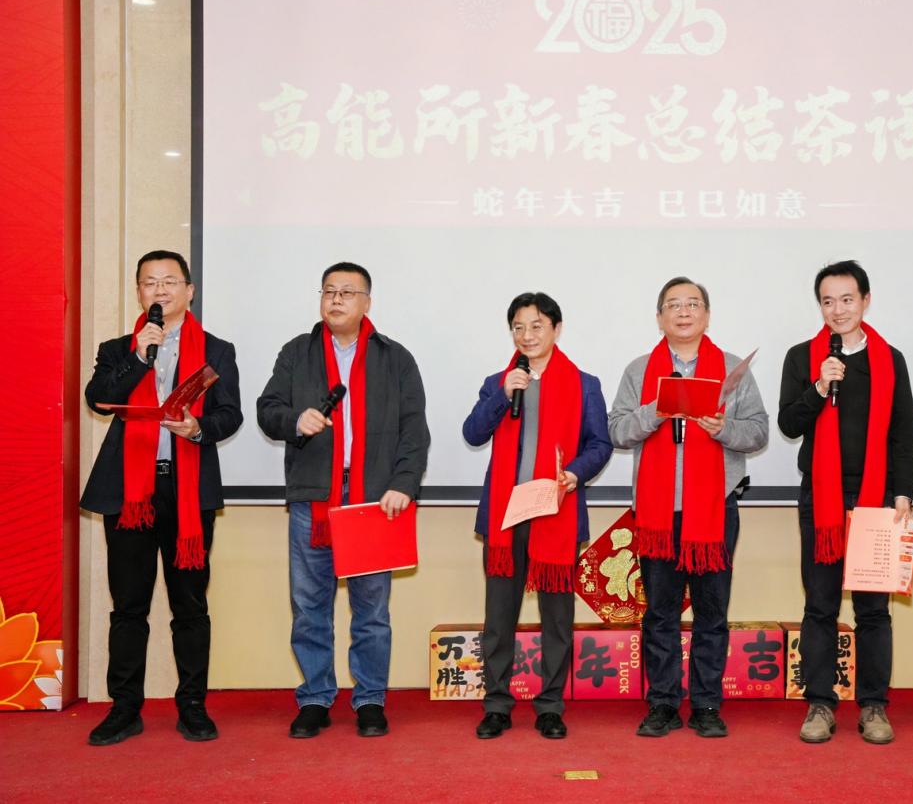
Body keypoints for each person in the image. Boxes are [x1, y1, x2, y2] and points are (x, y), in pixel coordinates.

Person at [257, 262, 429, 739]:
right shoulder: (297, 352)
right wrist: (296, 420)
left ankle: (370, 699)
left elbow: (414, 430)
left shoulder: (395, 358)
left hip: (374, 498)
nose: (335, 299)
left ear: (367, 302)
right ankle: (315, 697)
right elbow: (268, 410)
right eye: (329, 291)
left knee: (371, 610)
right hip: (314, 498)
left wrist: (404, 484)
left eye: (347, 292)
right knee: (310, 606)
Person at [81, 250, 243, 745]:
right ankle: (124, 708)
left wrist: (197, 428)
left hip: (186, 490)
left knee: (189, 604)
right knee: (128, 605)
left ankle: (192, 706)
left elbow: (230, 414)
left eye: (170, 281)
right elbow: (97, 398)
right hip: (130, 492)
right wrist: (138, 357)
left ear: (189, 291)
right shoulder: (118, 348)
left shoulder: (216, 350)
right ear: (139, 293)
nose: (160, 290)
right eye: (150, 282)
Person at [608, 276, 769, 738]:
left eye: (693, 304)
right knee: (660, 614)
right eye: (674, 305)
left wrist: (722, 428)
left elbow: (759, 431)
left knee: (711, 613)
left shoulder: (732, 368)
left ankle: (706, 705)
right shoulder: (640, 370)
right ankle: (662, 703)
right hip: (657, 516)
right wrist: (654, 412)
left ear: (707, 315)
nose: (684, 312)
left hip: (715, 511)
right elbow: (617, 430)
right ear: (659, 318)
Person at [778, 260, 913, 745]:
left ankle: (874, 705)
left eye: (846, 299)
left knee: (874, 609)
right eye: (827, 301)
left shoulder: (890, 359)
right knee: (820, 604)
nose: (837, 310)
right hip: (822, 498)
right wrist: (819, 386)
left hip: (877, 499)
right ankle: (820, 703)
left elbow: (903, 432)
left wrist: (903, 493)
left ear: (865, 300)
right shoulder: (803, 357)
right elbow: (789, 424)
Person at [463, 292, 613, 740]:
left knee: (556, 619)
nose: (527, 336)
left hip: (556, 514)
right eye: (518, 327)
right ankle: (497, 705)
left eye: (536, 326)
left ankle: (550, 706)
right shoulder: (499, 382)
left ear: (556, 329)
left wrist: (575, 474)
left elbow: (600, 445)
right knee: (499, 619)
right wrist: (503, 395)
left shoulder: (584, 384)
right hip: (505, 518)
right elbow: (473, 432)